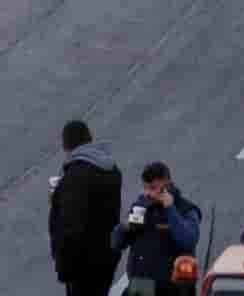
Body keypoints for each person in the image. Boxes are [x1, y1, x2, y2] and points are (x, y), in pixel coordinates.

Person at [50, 120, 122, 296]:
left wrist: (64, 268)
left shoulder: (75, 177)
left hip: (82, 266)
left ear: (66, 145)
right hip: (106, 257)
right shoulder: (110, 169)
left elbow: (71, 228)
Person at [112, 163, 202, 296]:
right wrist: (125, 227)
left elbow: (188, 240)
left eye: (153, 188)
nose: (148, 193)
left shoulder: (185, 210)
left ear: (167, 185)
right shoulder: (141, 206)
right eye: (145, 188)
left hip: (174, 286)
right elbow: (117, 244)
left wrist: (170, 210)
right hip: (142, 284)